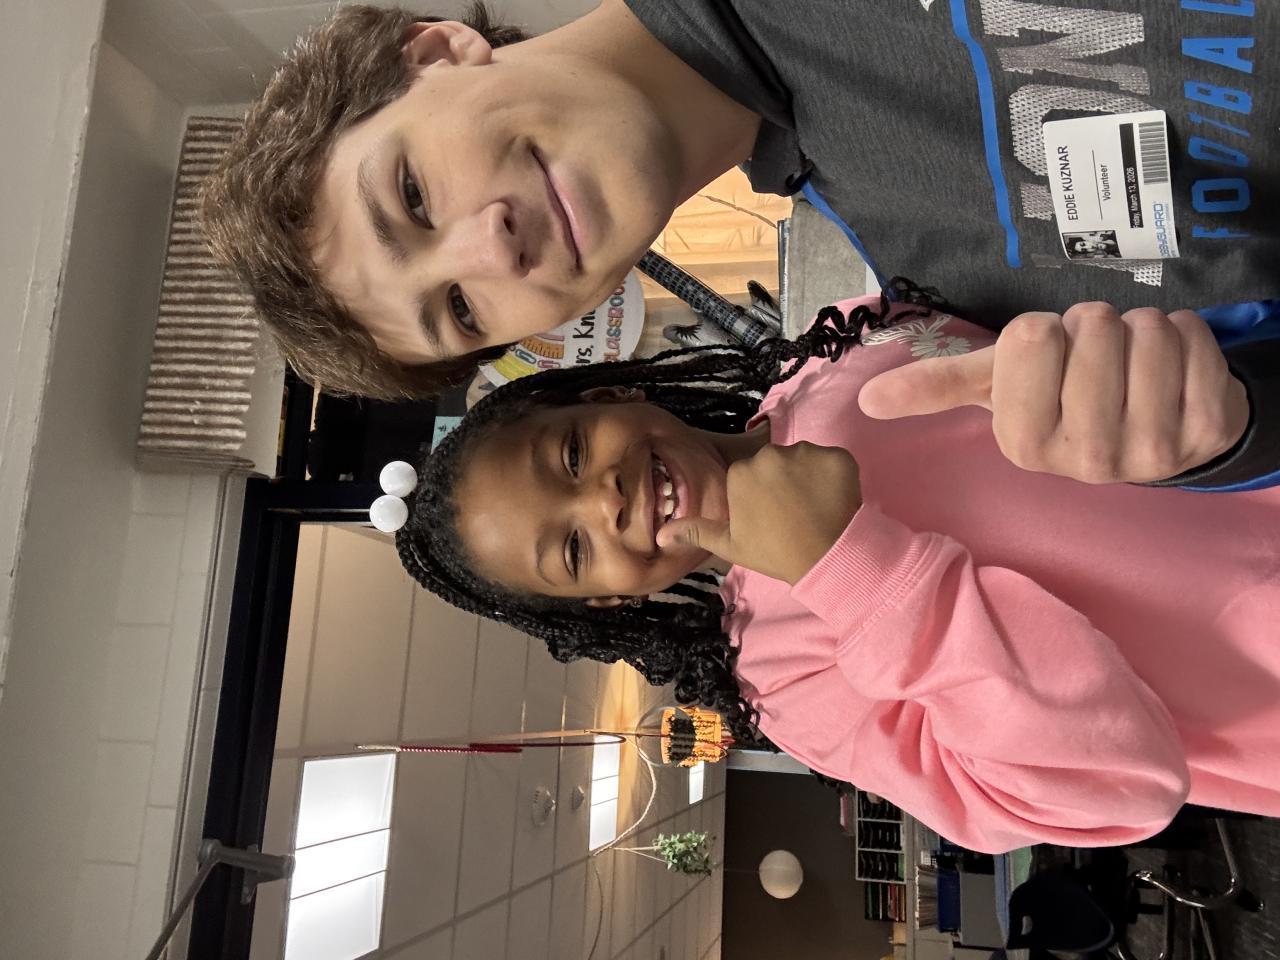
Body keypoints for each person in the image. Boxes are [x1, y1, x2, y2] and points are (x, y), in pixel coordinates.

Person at [201, 0, 1279, 487]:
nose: (492, 252)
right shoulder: (948, 284)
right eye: (461, 311)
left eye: (412, 194)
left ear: (439, 50)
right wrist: (1210, 432)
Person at [380, 285, 1280, 853]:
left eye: (572, 454)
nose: (604, 501)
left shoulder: (846, 357)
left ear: (612, 393)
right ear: (611, 600)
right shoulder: (789, 682)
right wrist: (853, 572)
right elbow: (1114, 789)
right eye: (574, 550)